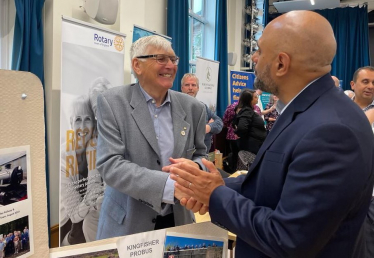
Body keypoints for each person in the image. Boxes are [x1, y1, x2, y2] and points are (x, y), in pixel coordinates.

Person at [169, 11, 374, 258]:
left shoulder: (331, 131)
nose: (254, 58)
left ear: (281, 63)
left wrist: (215, 195)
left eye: (259, 50)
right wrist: (214, 184)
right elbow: (270, 184)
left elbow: (288, 238)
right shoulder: (306, 110)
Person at [95, 35, 207, 240]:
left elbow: (201, 155)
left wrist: (197, 170)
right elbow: (109, 165)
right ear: (137, 65)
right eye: (161, 59)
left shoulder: (194, 108)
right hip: (128, 223)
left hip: (178, 220)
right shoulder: (112, 103)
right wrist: (171, 187)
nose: (170, 66)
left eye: (173, 60)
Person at [60, 95, 103, 245]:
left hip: (89, 214)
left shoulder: (95, 147)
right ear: (71, 123)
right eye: (78, 119)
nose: (83, 126)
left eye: (88, 119)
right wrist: (95, 198)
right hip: (67, 224)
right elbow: (73, 215)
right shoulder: (63, 158)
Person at [180, 73, 223, 153]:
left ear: (198, 88)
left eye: (193, 85)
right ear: (182, 88)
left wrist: (207, 127)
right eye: (187, 85)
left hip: (203, 156)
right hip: (183, 156)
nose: (190, 88)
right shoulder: (176, 107)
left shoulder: (203, 107)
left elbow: (219, 123)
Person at [233, 89, 266, 154]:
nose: (257, 98)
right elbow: (242, 128)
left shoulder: (249, 110)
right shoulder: (246, 111)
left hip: (255, 145)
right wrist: (239, 133)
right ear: (249, 100)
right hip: (251, 147)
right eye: (255, 97)